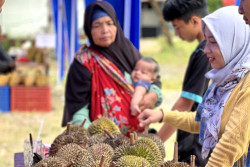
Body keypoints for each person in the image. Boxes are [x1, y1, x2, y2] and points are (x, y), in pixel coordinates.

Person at [138, 6, 250, 167]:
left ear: (234, 42)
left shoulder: (246, 85)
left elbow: (231, 144)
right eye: (206, 41)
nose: (205, 50)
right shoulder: (222, 83)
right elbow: (202, 122)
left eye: (213, 42)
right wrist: (162, 115)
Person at [62, 1, 162, 135]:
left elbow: (152, 78)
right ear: (88, 29)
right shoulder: (83, 62)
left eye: (109, 23)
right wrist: (88, 137)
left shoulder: (127, 50)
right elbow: (78, 108)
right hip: (101, 143)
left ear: (116, 25)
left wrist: (153, 95)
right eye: (97, 25)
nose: (105, 30)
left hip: (137, 139)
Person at [157, 0, 211, 165]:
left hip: (198, 146)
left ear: (195, 21)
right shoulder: (205, 49)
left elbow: (185, 104)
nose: (176, 33)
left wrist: (156, 143)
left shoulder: (205, 51)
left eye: (177, 27)